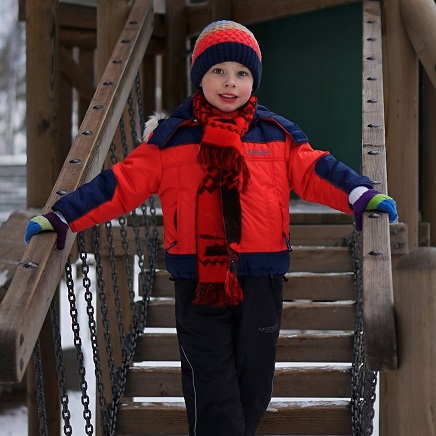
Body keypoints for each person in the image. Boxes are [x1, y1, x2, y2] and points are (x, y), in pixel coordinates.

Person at [25, 20, 397, 436]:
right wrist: (65, 215)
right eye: (217, 71)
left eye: (241, 73)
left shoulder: (276, 135)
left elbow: (317, 171)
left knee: (254, 386)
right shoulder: (172, 140)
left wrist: (358, 194)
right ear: (199, 76)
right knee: (211, 387)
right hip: (198, 280)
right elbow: (120, 185)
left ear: (253, 81)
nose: (229, 83)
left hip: (261, 278)